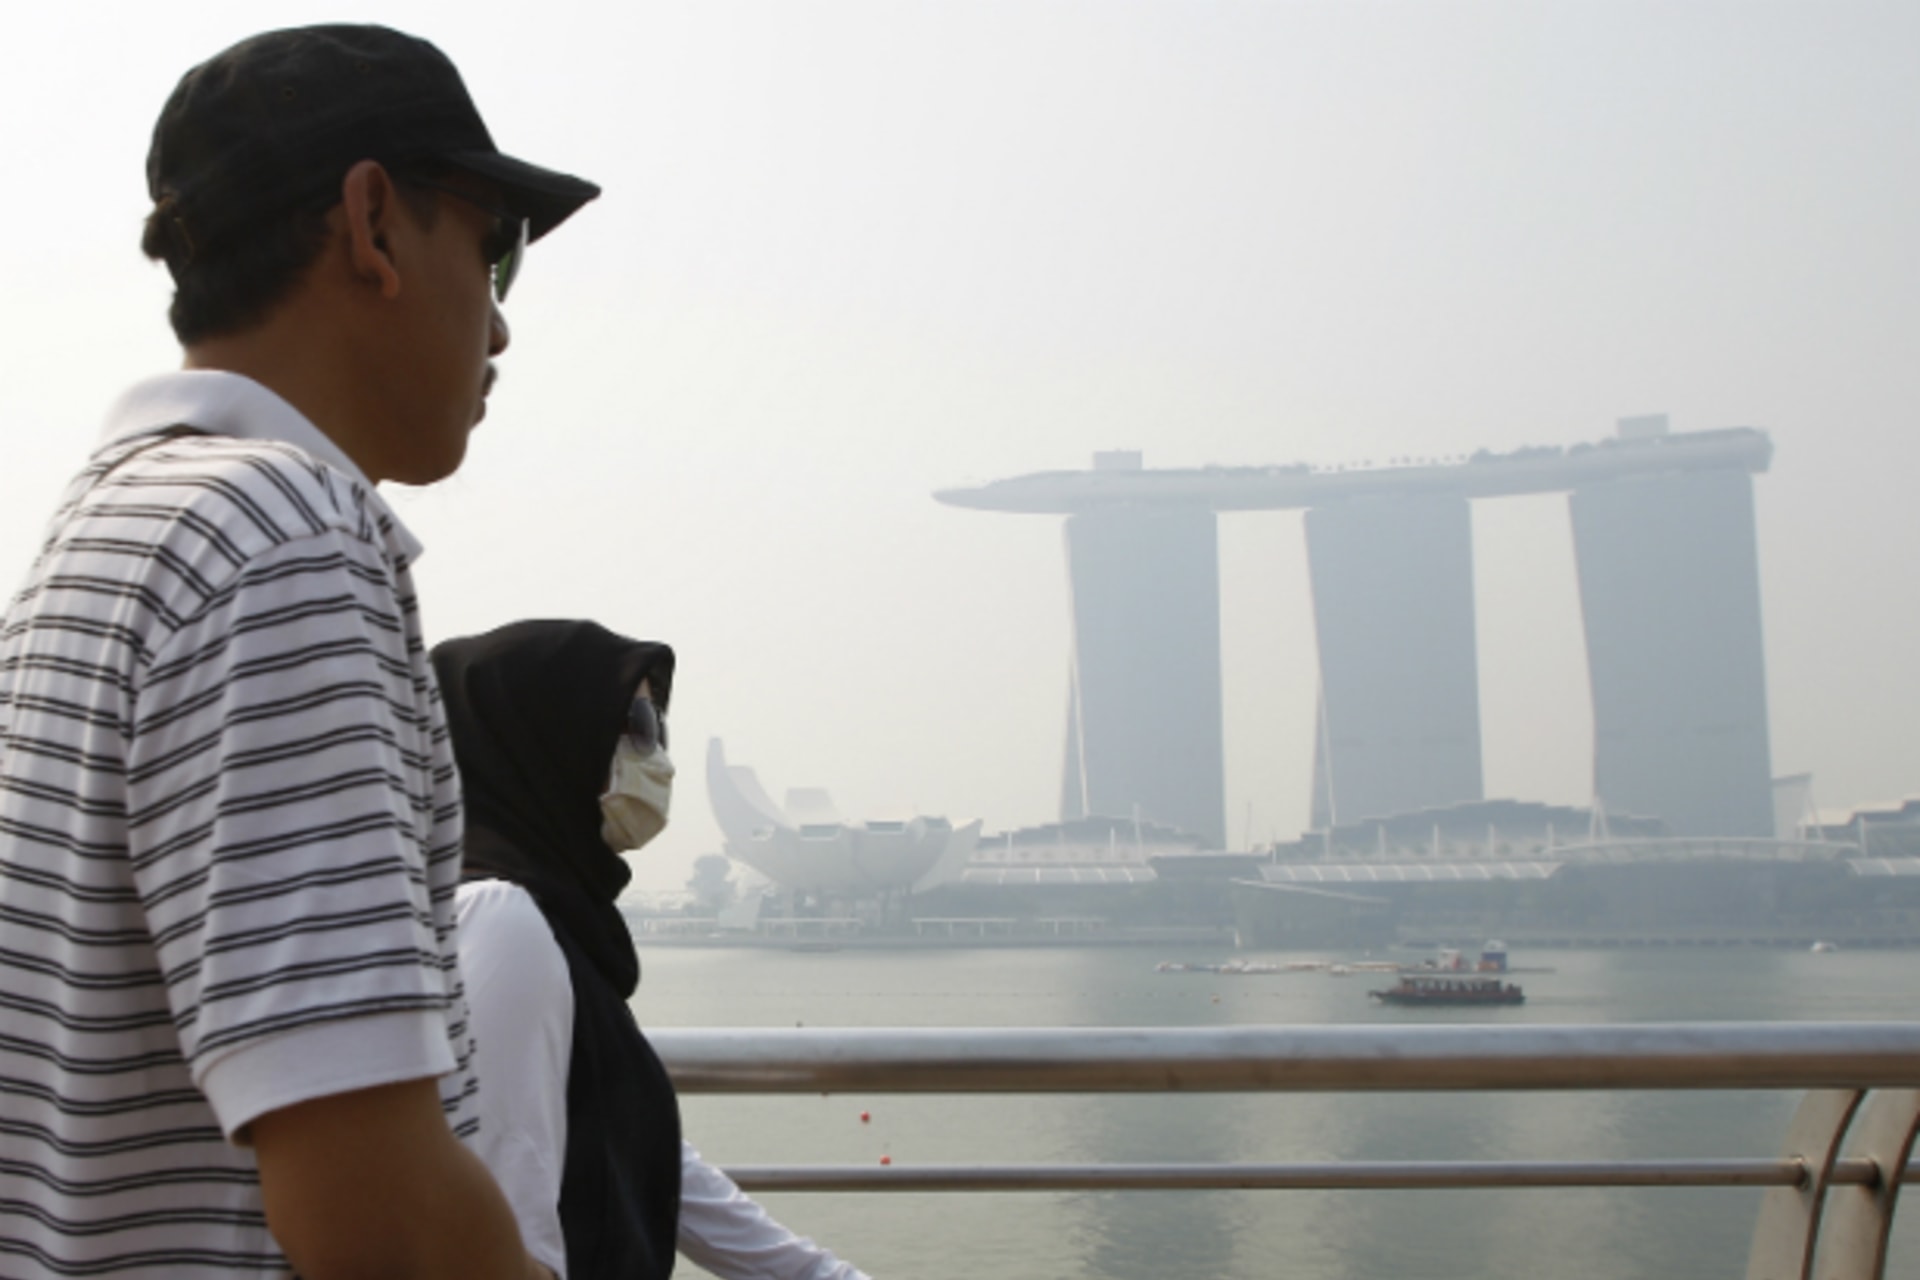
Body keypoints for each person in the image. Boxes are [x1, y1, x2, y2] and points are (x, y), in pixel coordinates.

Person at [0, 25, 597, 1279]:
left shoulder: (108, 527)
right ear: (373, 222)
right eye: (493, 248)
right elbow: (372, 1212)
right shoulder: (283, 543)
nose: (498, 328)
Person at [435, 620, 872, 1280]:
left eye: (659, 727)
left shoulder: (556, 925)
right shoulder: (501, 920)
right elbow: (503, 1232)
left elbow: (635, 1150)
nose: (658, 757)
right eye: (637, 723)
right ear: (548, 735)